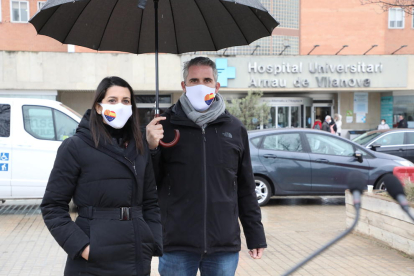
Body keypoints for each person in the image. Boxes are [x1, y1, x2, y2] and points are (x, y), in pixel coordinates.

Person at [146, 57, 267, 276]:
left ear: (216, 86)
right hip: (176, 243)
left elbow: (245, 187)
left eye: (206, 80)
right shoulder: (163, 127)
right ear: (184, 86)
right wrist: (152, 148)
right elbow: (150, 182)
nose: (200, 85)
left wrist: (255, 235)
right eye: (194, 80)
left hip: (222, 244)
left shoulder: (235, 128)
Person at [41, 77, 162, 276]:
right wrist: (83, 248)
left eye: (125, 101)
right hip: (93, 258)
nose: (120, 106)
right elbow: (52, 206)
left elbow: (150, 202)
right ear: (98, 107)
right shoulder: (75, 146)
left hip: (136, 253)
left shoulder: (140, 148)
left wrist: (152, 241)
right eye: (112, 100)